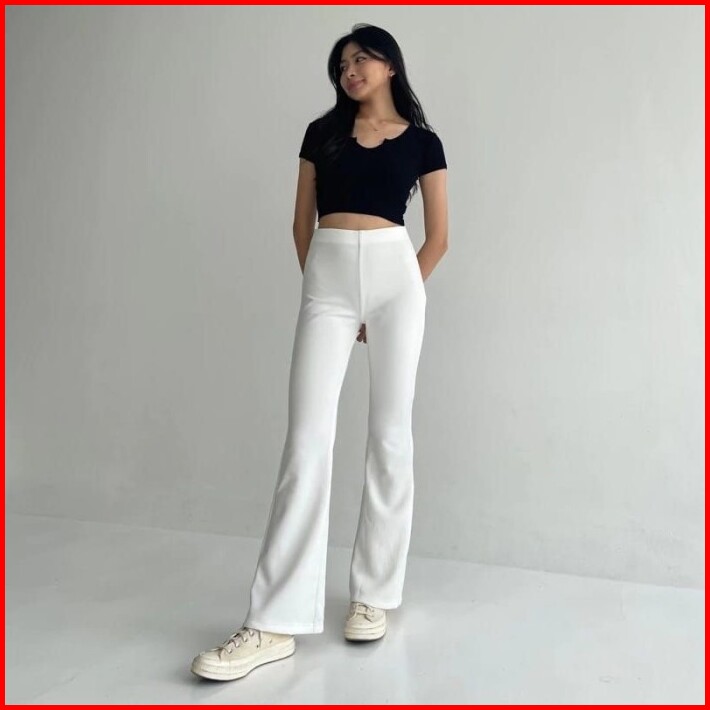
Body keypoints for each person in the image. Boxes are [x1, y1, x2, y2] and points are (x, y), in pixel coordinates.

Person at [191, 22, 448, 682]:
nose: (349, 70)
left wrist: (395, 297)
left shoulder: (423, 142)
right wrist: (328, 292)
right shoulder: (321, 135)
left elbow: (439, 237)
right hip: (327, 282)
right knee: (307, 440)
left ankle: (373, 595)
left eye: (361, 58)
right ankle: (274, 621)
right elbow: (300, 222)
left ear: (390, 65)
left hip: (396, 281)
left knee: (390, 435)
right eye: (341, 64)